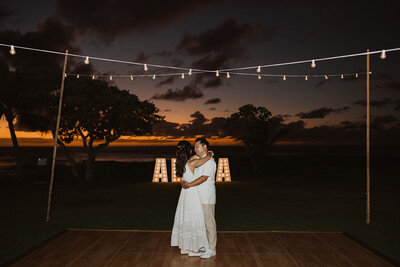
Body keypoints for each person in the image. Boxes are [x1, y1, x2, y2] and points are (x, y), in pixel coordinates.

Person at [171, 140, 214, 256]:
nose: (194, 150)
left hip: (185, 194)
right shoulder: (192, 163)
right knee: (195, 219)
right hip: (192, 193)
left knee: (187, 219)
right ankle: (193, 249)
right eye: (193, 148)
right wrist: (209, 154)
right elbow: (205, 159)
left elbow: (196, 157)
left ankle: (186, 247)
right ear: (189, 151)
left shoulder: (182, 162)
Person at [181, 137, 217, 259]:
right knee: (200, 223)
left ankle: (212, 249)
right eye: (195, 147)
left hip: (206, 196)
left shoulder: (210, 162)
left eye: (197, 146)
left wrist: (189, 185)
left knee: (209, 222)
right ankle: (204, 246)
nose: (195, 149)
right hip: (196, 197)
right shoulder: (199, 159)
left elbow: (204, 178)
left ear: (205, 147)